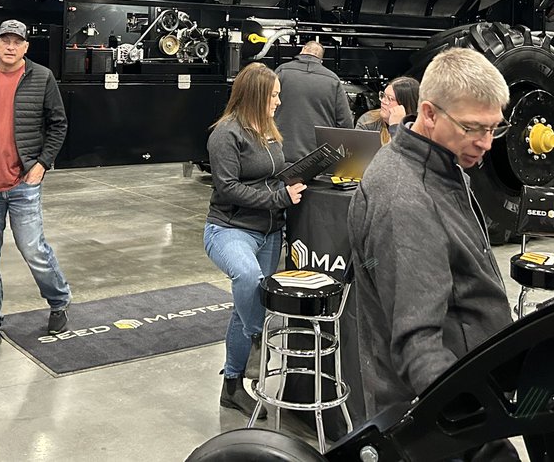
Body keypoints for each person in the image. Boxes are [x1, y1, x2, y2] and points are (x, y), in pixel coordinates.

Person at [348, 48, 518, 460]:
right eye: (473, 128)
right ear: (428, 113)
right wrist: (481, 437)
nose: (486, 143)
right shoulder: (405, 199)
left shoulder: (441, 166)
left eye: (495, 128)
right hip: (440, 425)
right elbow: (417, 342)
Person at [0, 19, 72, 346]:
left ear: (25, 47)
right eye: (5, 40)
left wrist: (42, 164)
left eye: (16, 41)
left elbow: (58, 124)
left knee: (32, 249)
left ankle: (59, 300)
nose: (10, 46)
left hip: (23, 184)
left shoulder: (42, 78)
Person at [204, 62, 307, 416]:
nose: (278, 102)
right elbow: (228, 188)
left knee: (245, 304)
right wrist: (280, 198)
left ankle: (232, 386)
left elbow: (273, 174)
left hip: (270, 232)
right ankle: (259, 337)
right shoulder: (225, 134)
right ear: (258, 95)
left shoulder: (267, 131)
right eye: (274, 95)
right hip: (229, 229)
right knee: (248, 279)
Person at [273, 41, 353, 162]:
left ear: (302, 50)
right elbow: (345, 124)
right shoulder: (332, 79)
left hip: (282, 153)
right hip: (318, 158)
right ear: (321, 60)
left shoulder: (281, 71)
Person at [356, 76, 421, 144]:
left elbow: (401, 153)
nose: (383, 101)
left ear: (406, 106)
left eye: (390, 99)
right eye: (383, 95)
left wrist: (395, 127)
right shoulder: (368, 121)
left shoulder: (419, 130)